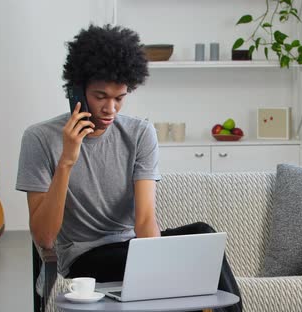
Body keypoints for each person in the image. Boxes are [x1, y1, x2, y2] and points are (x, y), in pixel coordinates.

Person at [16, 24, 241, 311]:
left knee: (204, 234)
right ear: (77, 91)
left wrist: (155, 265)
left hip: (133, 248)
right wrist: (67, 159)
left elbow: (145, 219)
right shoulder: (39, 138)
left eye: (119, 98)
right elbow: (44, 236)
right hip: (85, 258)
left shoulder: (139, 134)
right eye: (100, 96)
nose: (110, 108)